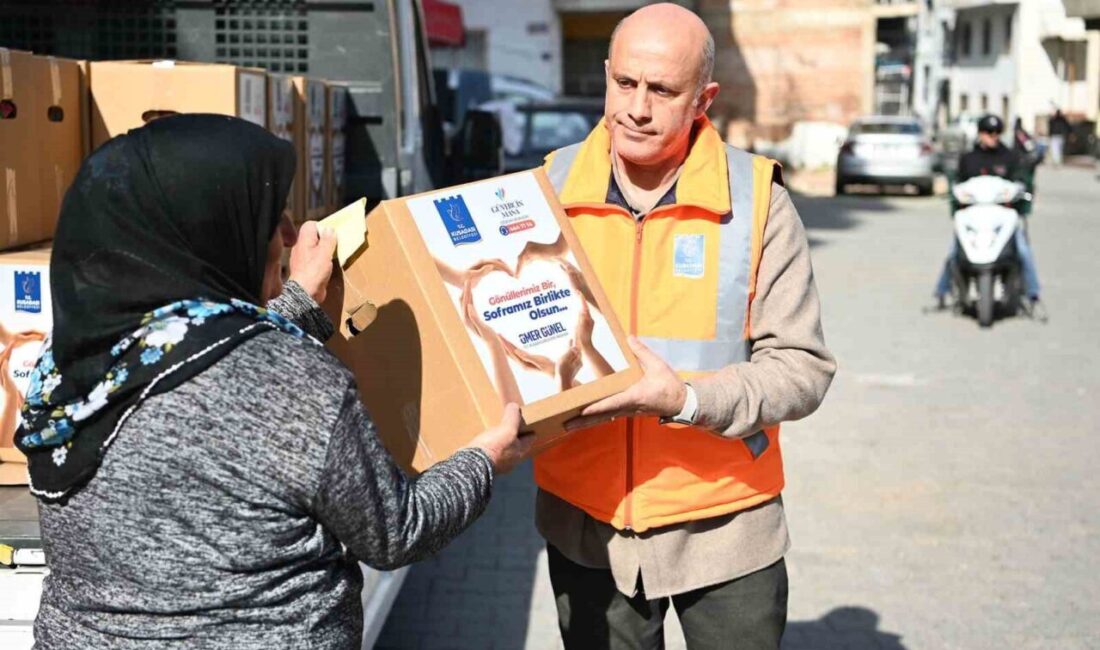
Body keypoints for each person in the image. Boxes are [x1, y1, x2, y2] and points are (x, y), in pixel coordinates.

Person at [15, 114, 532, 648]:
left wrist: (298, 303)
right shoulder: (292, 381)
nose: (288, 234)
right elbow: (396, 531)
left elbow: (193, 359)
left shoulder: (67, 367)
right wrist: (485, 460)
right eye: (265, 217)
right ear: (208, 230)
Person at [535, 5, 837, 648]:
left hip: (726, 527)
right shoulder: (546, 189)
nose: (636, 108)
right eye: (625, 84)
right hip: (587, 524)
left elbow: (802, 369)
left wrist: (686, 400)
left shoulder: (758, 201)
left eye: (663, 91)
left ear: (705, 99)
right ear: (607, 74)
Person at [934, 114, 1042, 308]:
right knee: (953, 251)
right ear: (980, 134)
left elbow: (1021, 180)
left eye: (997, 133)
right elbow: (957, 182)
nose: (993, 137)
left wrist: (1023, 190)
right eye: (989, 133)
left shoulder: (1009, 157)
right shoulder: (969, 158)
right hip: (975, 215)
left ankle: (1032, 295)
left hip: (1003, 214)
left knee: (1023, 251)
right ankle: (942, 292)